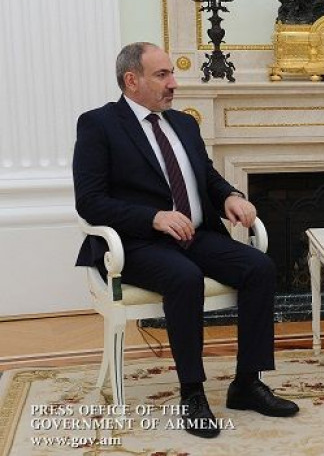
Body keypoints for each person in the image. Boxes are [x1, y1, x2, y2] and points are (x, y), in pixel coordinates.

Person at [73, 42, 299, 438]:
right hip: (137, 243)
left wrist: (230, 196)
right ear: (131, 80)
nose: (174, 83)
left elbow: (206, 176)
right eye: (162, 75)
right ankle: (192, 393)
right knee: (184, 277)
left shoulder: (183, 123)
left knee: (259, 267)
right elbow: (90, 201)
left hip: (196, 235)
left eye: (172, 73)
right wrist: (154, 217)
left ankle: (247, 383)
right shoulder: (99, 125)